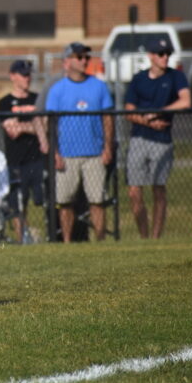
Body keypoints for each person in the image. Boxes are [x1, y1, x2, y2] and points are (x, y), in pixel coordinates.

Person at [45, 43, 115, 242]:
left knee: (97, 201)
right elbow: (51, 124)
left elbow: (107, 119)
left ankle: (100, 241)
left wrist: (107, 147)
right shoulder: (58, 90)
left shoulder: (99, 86)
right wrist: (55, 153)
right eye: (79, 57)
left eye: (86, 57)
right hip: (67, 155)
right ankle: (67, 242)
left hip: (94, 154)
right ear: (67, 61)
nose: (84, 61)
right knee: (65, 202)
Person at [123, 37, 190, 239]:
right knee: (134, 191)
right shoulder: (139, 79)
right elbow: (128, 110)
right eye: (161, 54)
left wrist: (159, 111)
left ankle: (155, 237)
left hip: (162, 140)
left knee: (158, 189)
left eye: (168, 54)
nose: (165, 57)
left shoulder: (176, 76)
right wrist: (148, 121)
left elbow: (185, 101)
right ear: (151, 56)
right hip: (139, 138)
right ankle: (144, 236)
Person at [0, 59, 44, 244]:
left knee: (43, 200)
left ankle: (49, 235)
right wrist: (34, 126)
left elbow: (46, 126)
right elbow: (12, 131)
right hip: (16, 160)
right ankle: (21, 240)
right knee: (18, 203)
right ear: (13, 76)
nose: (27, 78)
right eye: (23, 75)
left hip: (38, 158)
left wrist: (24, 125)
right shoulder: (5, 102)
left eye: (29, 74)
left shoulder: (37, 99)